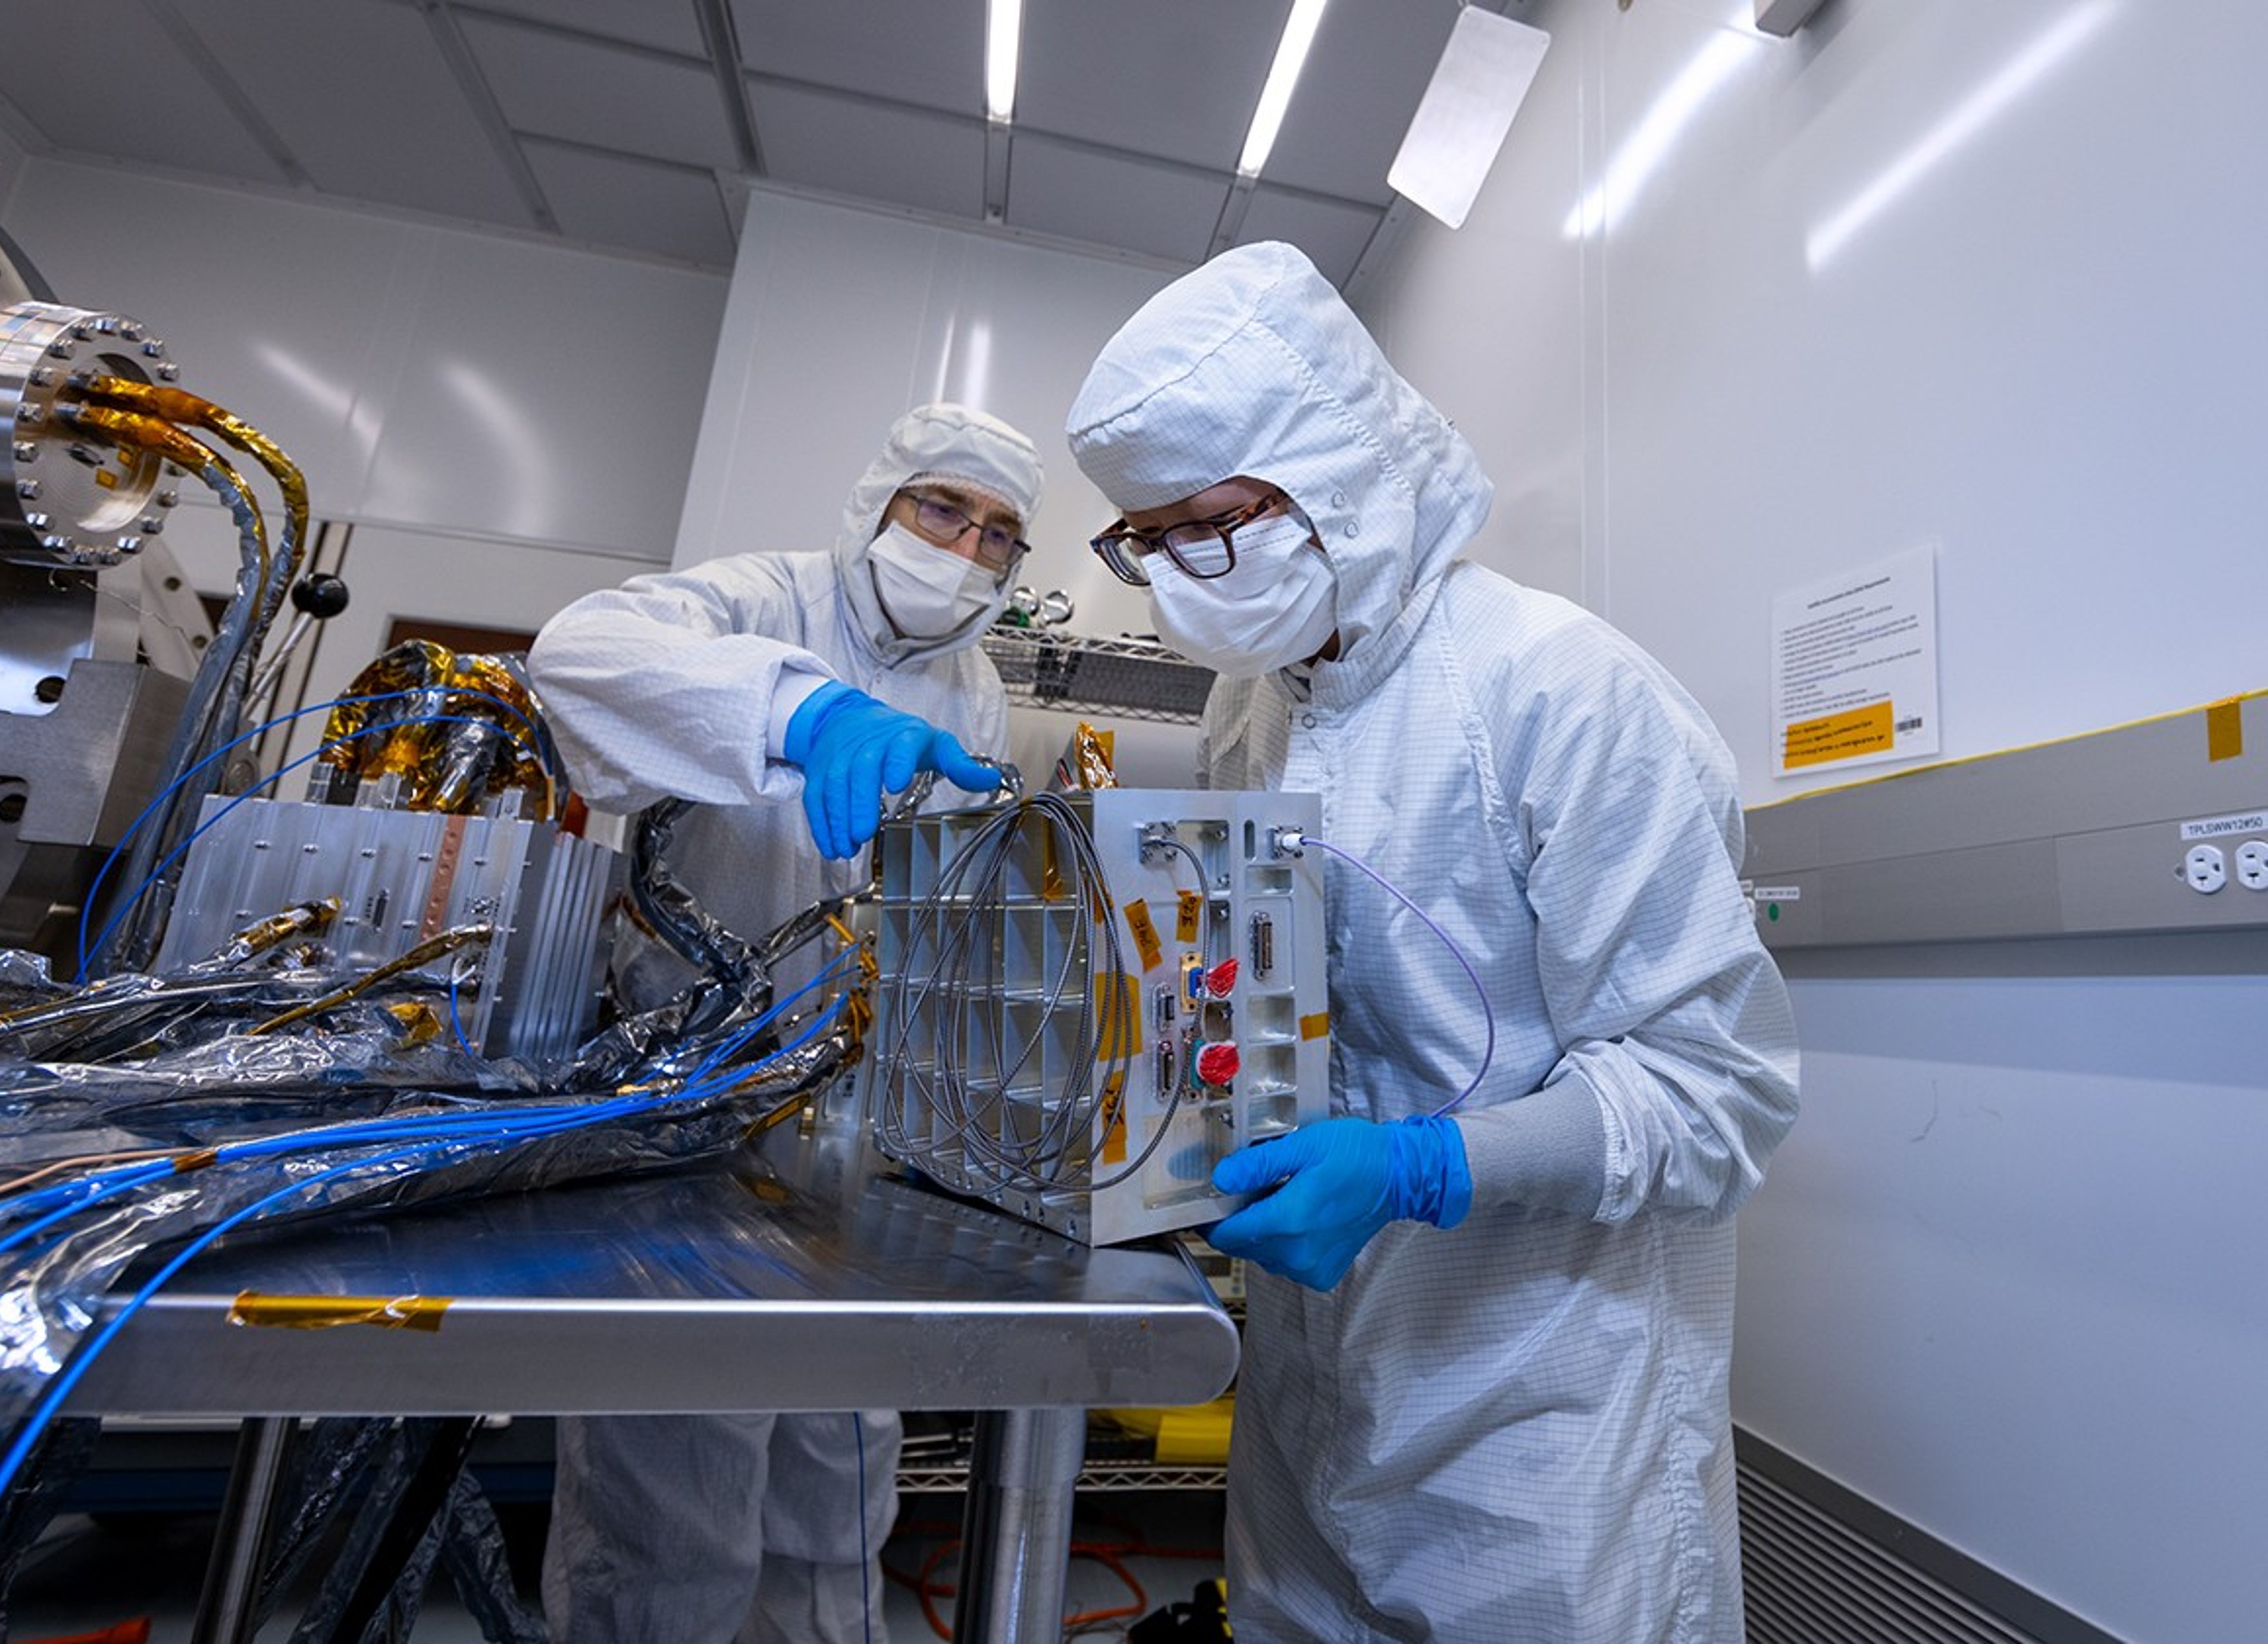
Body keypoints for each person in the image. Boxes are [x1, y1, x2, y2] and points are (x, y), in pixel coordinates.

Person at [1064, 242, 1800, 1642]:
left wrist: (1423, 1163)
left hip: (1541, 1415)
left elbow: (1718, 1093)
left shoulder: (1559, 692)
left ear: (1334, 473)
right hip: (1315, 1377)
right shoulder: (1253, 715)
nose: (1177, 578)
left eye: (1206, 525)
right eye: (1146, 542)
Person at [526, 402, 1044, 1643]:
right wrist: (801, 717)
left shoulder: (975, 690)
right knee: (682, 1467)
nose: (964, 550)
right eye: (941, 509)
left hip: (862, 1117)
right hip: (695, 1100)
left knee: (841, 1456)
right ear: (878, 503)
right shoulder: (762, 599)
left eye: (997, 536)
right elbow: (580, 652)